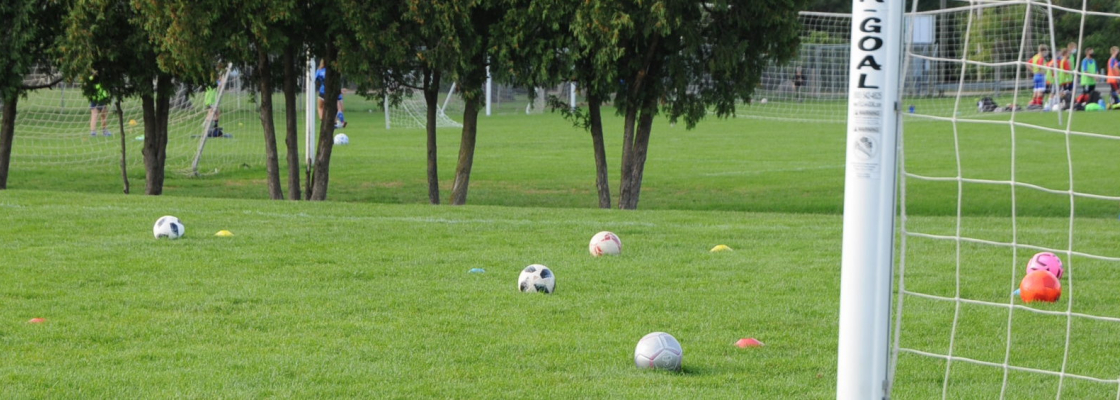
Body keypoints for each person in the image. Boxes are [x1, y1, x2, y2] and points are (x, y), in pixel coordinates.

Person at [315, 61, 347, 128]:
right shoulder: (334, 70)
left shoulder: (319, 70)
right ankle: (340, 122)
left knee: (320, 107)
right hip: (334, 91)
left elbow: (315, 79)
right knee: (338, 108)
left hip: (323, 91)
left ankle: (323, 121)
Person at [87, 72, 111, 137]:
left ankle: (104, 131)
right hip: (96, 100)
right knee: (95, 115)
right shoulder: (93, 80)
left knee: (103, 115)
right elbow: (89, 79)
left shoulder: (103, 80)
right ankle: (93, 132)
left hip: (102, 100)